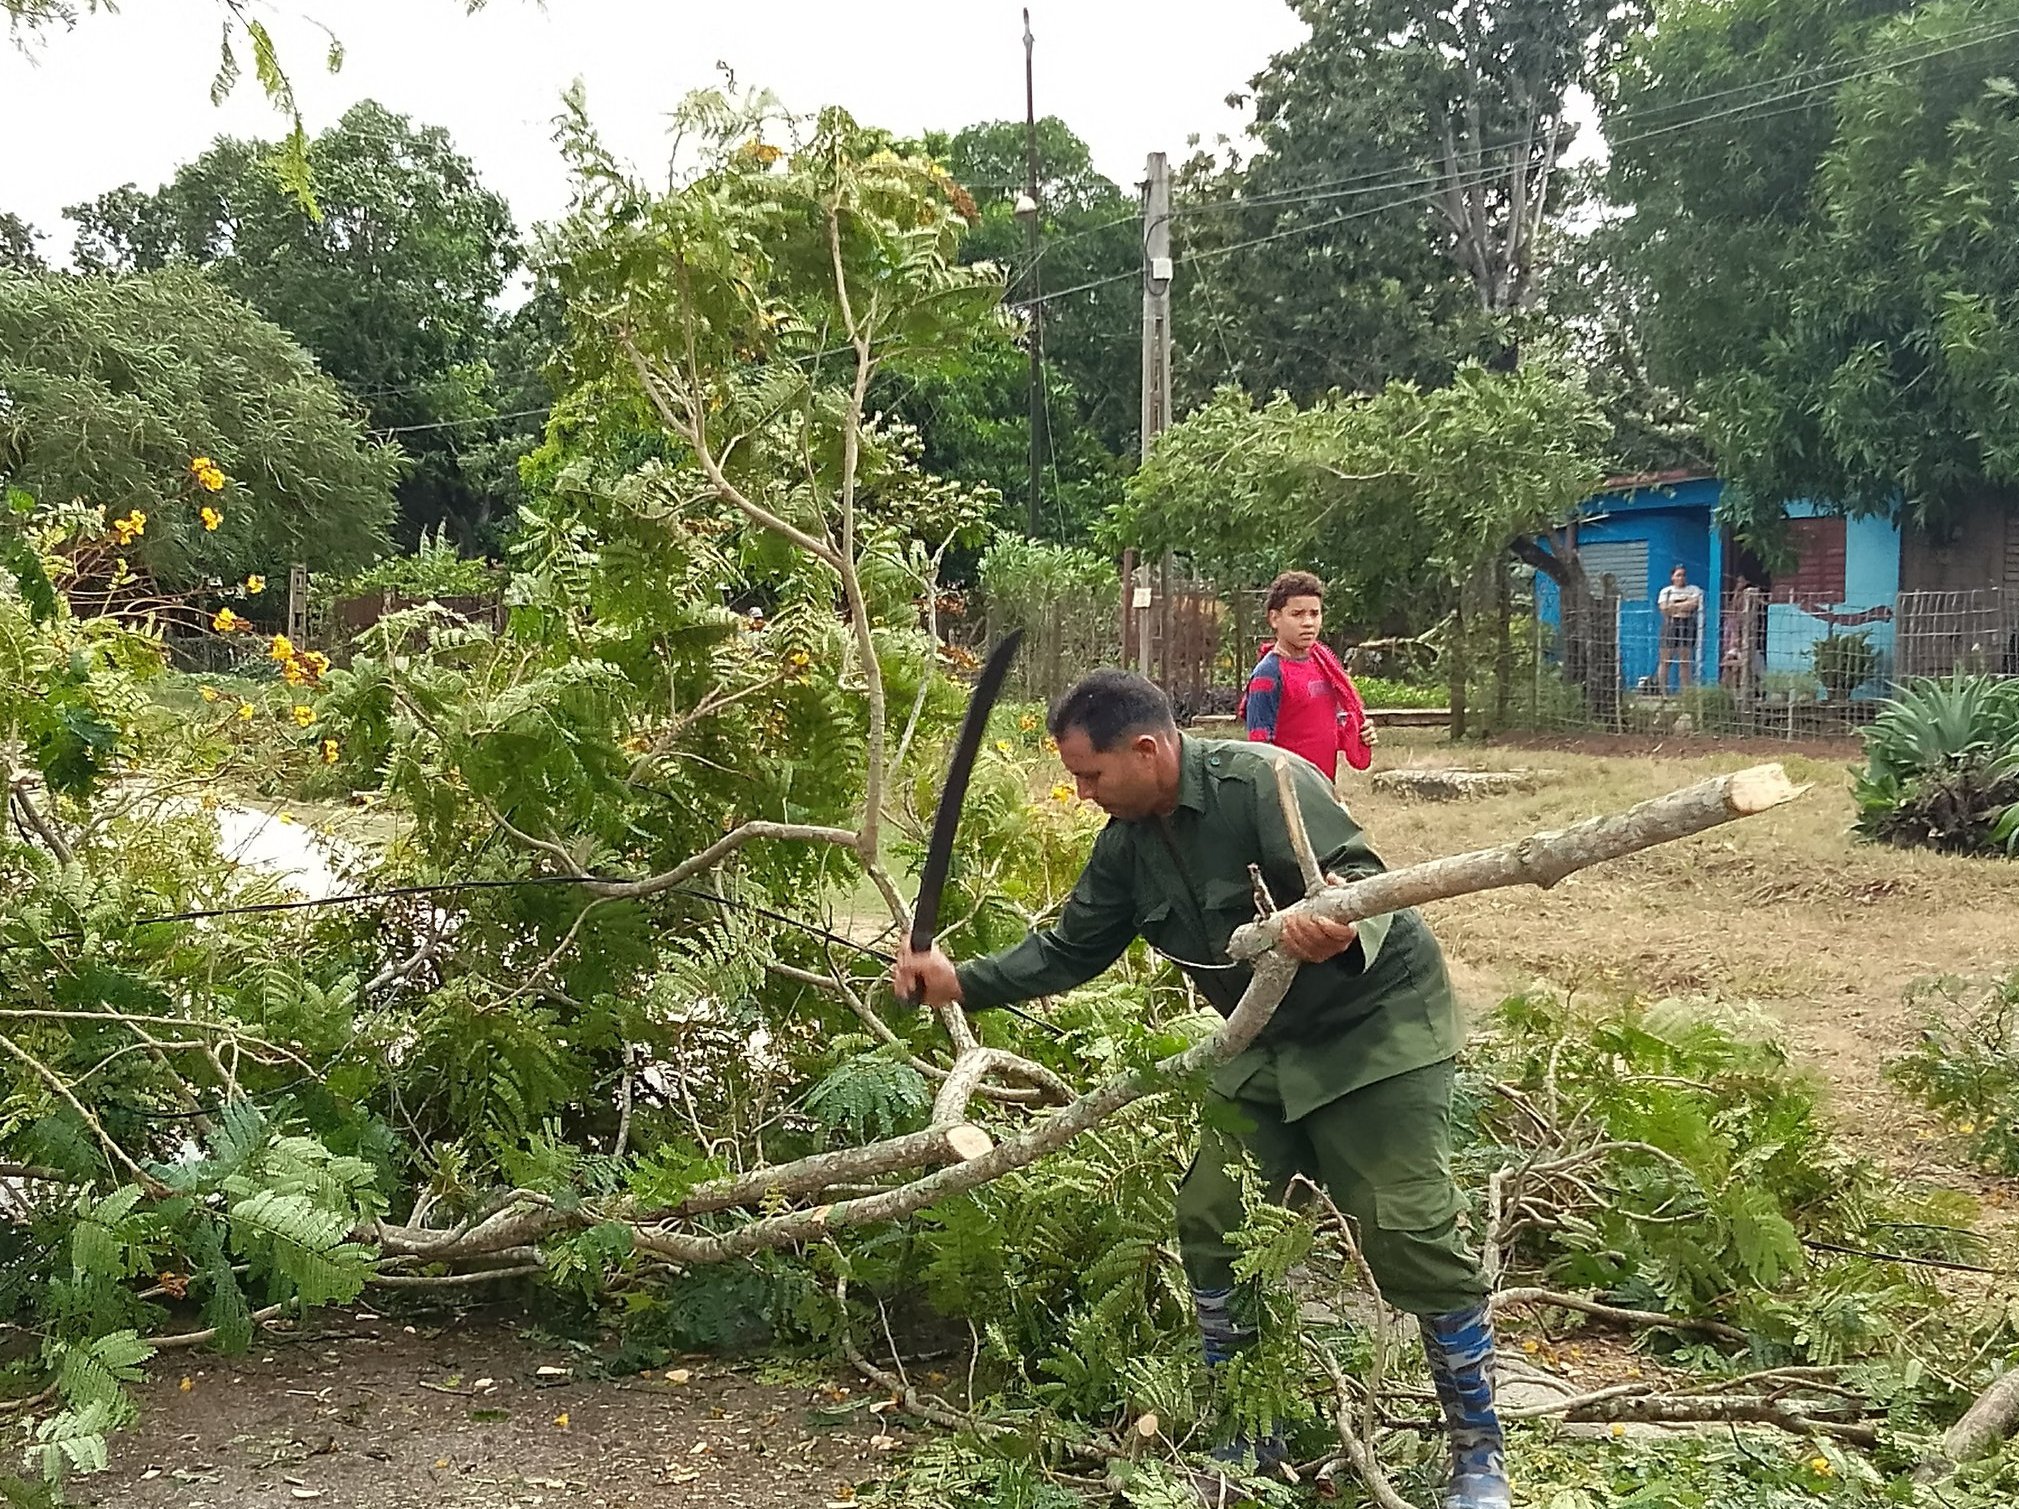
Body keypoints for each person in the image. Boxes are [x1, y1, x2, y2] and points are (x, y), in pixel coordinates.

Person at [894, 670, 1508, 1509]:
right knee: (1212, 1217)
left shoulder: (1265, 781)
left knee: (1406, 1226)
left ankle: (1477, 1452)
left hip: (1377, 1027)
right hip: (1264, 1041)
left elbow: (1359, 876)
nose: (1081, 794)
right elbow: (1070, 949)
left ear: (1146, 749)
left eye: (1090, 773)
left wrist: (1330, 919)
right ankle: (1250, 1435)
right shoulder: (1126, 843)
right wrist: (956, 980)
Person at [1241, 571, 1373, 782]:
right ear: (1275, 618)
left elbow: (1324, 726)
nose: (1308, 622)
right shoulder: (1268, 674)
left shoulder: (1323, 663)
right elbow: (1259, 751)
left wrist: (1358, 732)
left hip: (1323, 788)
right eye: (1297, 614)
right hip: (1288, 794)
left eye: (1314, 613)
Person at [1655, 564, 1704, 694]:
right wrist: (1684, 604)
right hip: (1670, 624)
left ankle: (1685, 692)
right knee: (1665, 659)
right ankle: (1663, 692)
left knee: (1685, 660)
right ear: (1672, 577)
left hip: (1687, 623)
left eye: (1683, 575)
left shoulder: (1693, 589)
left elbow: (1694, 604)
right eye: (1678, 575)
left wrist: (1675, 605)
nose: (1681, 578)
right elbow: (1664, 608)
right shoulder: (1666, 591)